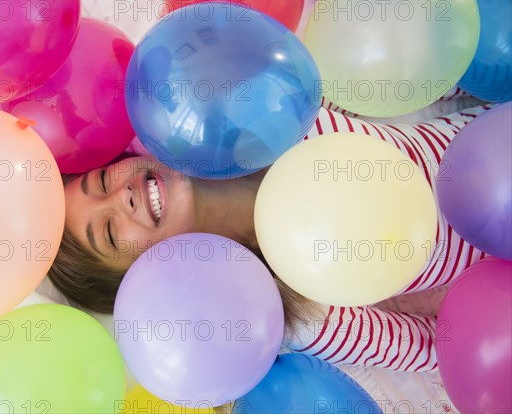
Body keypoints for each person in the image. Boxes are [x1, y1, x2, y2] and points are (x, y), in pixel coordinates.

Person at [48, 100, 491, 374]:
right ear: (142, 280)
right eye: (108, 231)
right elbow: (430, 350)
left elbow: (403, 79)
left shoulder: (261, 120)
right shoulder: (297, 310)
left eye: (102, 179)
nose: (119, 194)